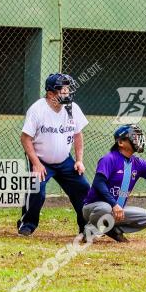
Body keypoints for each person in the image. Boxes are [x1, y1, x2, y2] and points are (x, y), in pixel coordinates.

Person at [17, 74, 90, 236]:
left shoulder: (72, 108)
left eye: (67, 89)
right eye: (62, 90)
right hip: (41, 160)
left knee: (83, 188)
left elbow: (78, 135)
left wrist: (79, 160)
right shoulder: (37, 109)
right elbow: (25, 138)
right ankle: (27, 223)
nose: (67, 93)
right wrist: (36, 163)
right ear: (50, 94)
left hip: (65, 160)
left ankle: (85, 227)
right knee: (37, 191)